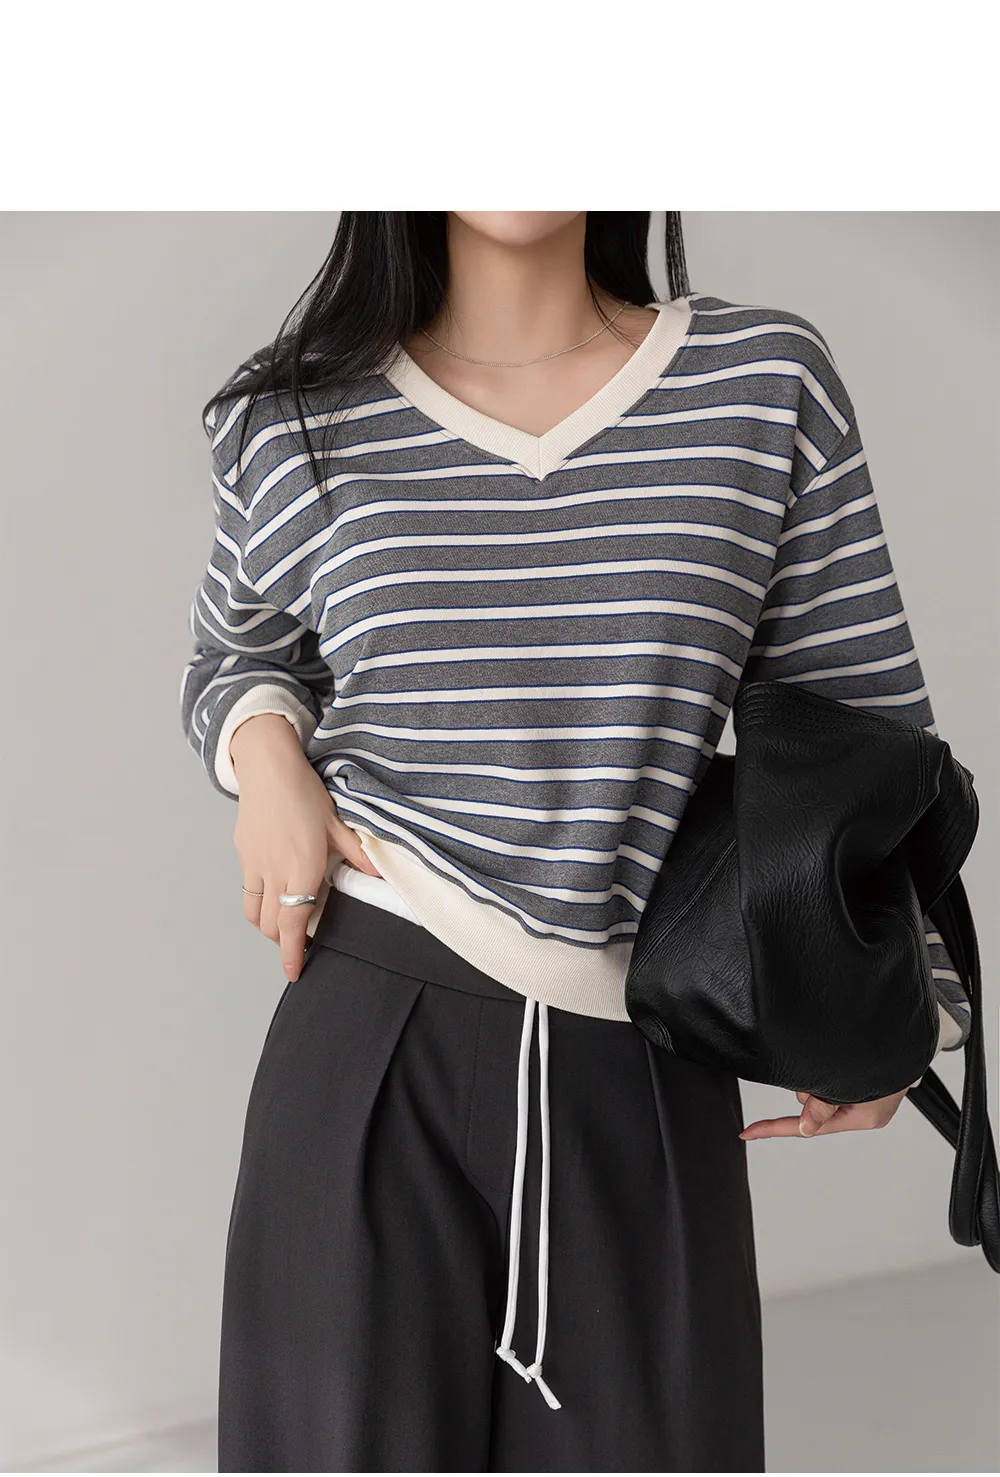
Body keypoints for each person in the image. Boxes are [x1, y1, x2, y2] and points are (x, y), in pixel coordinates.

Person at [180, 211, 971, 1473]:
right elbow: (236, 655)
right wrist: (266, 754)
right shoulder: (295, 418)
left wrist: (889, 996)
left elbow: (858, 728)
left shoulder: (762, 381)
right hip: (371, 1031)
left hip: (640, 1052)